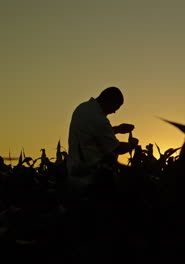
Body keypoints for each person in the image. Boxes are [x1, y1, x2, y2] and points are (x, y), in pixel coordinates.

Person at [65, 86, 138, 260]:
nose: (114, 112)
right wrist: (133, 144)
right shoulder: (98, 119)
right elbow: (117, 148)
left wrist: (117, 129)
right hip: (91, 179)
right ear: (109, 100)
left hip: (74, 172)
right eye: (116, 107)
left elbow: (95, 133)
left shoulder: (83, 108)